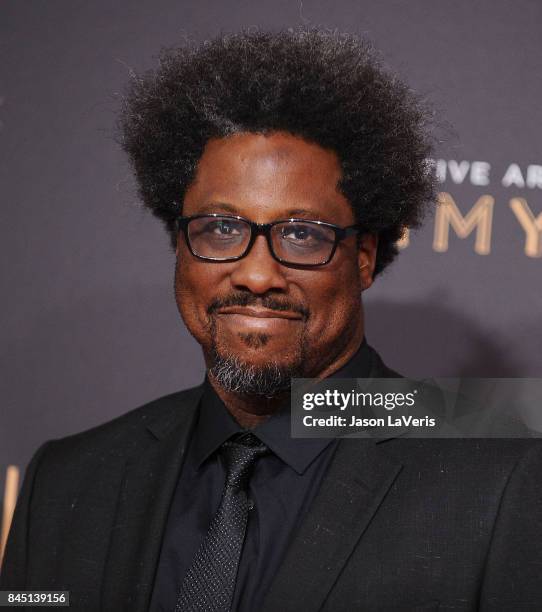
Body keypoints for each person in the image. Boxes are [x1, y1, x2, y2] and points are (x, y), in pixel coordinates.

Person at [1, 28, 542, 612]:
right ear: (179, 246)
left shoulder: (504, 476)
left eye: (302, 235)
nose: (257, 274)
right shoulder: (68, 481)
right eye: (222, 228)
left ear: (363, 258)